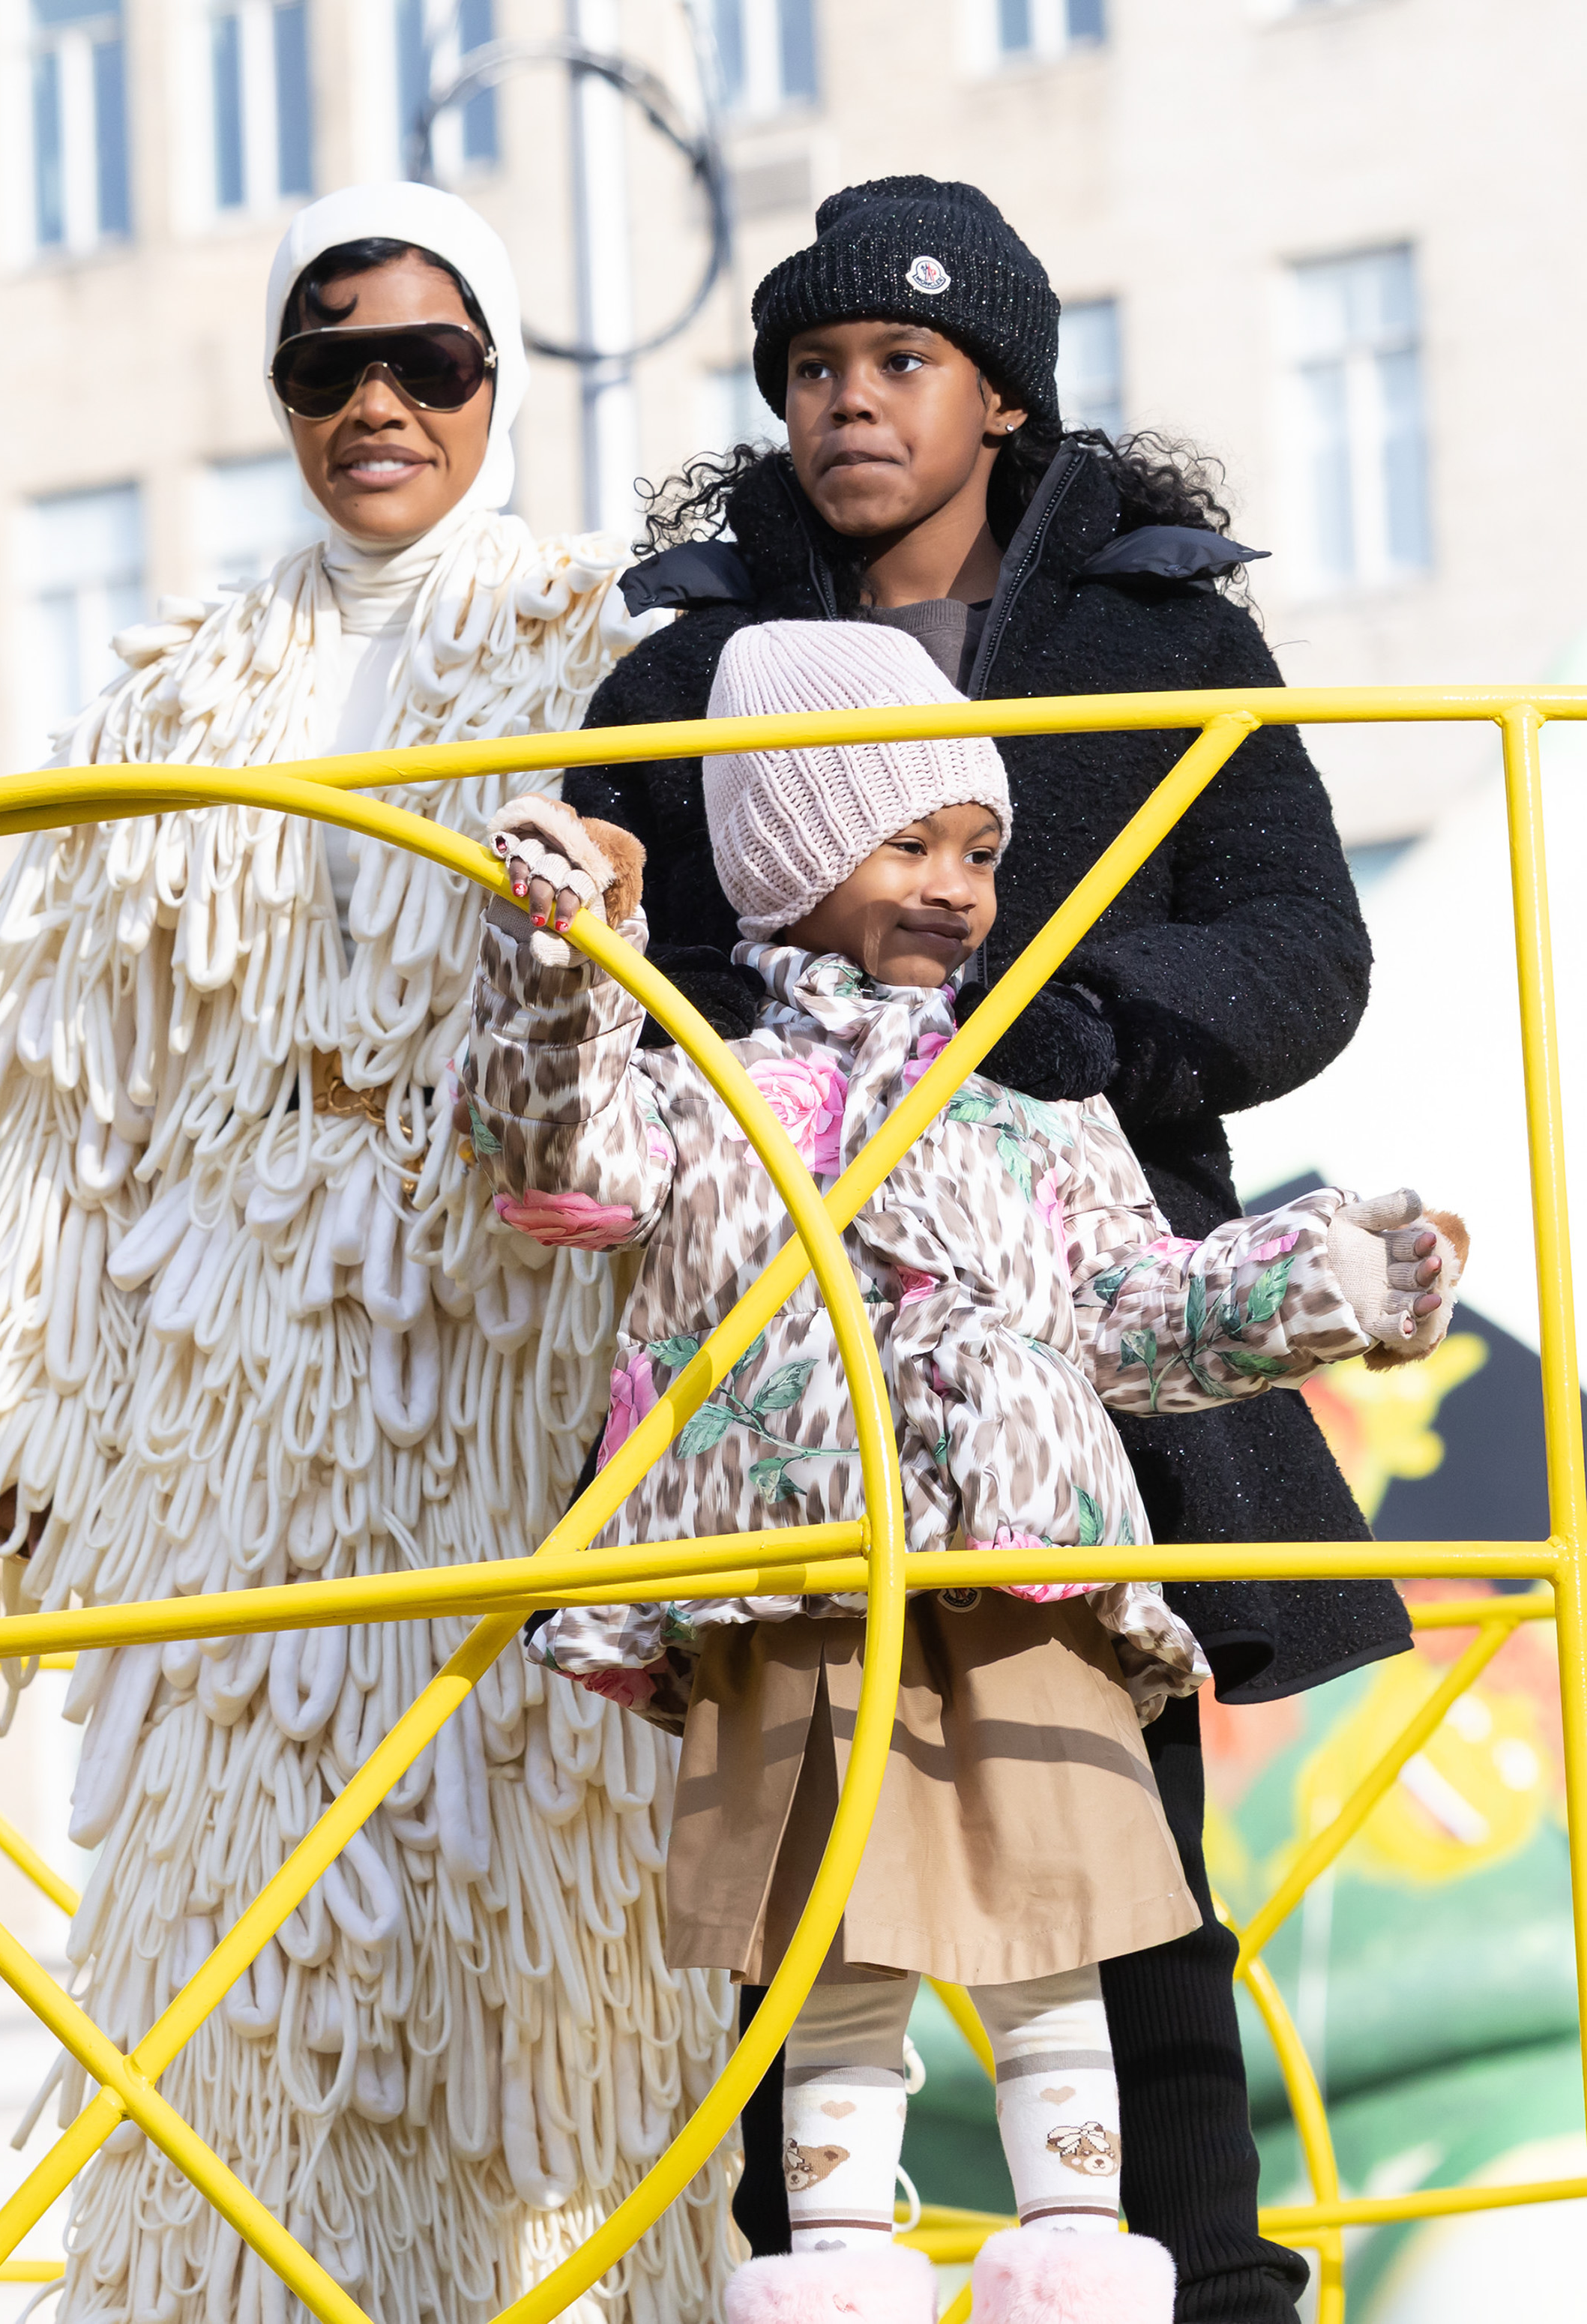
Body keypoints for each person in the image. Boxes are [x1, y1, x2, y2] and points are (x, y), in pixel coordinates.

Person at [565, 177, 1408, 2321]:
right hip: (790, 1352)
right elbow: (624, 987)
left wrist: (1092, 1021)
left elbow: (1307, 946)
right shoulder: (678, 671)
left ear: (1001, 396)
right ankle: (814, 2270)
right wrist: (773, 1040)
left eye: (901, 364)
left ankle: (1203, 2282)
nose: (852, 403)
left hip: (1077, 1299)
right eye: (814, 369)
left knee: (1122, 1847)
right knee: (795, 1865)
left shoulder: (1164, 635)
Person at [0, 184, 735, 2324]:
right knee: (236, 1890)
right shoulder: (178, 686)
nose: (376, 400)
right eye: (324, 361)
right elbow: (48, 1079)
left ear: (503, 381)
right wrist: (9, 1387)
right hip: (230, 1353)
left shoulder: (607, 637)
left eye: (429, 360)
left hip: (509, 1321)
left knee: (537, 1881)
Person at [467, 619, 1463, 2324]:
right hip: (800, 1570)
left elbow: (1129, 1306)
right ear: (789, 854)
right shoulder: (706, 1083)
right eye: (905, 841)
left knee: (1054, 1919)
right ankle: (840, 2260)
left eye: (982, 850)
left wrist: (1329, 1280)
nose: (955, 887)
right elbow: (558, 1168)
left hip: (1023, 1556)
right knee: (829, 1942)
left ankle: (1074, 2244)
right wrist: (563, 959)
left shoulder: (1031, 1087)